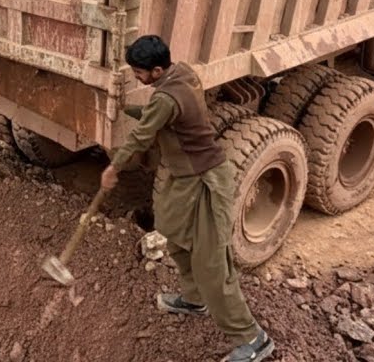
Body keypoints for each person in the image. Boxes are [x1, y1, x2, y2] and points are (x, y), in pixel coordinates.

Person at [100, 35, 273, 362]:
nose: (136, 77)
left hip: (207, 180)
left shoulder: (166, 97)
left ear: (155, 70)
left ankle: (254, 339)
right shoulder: (182, 73)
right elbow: (157, 114)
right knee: (173, 230)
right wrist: (129, 108)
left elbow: (143, 134)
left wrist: (114, 167)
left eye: (139, 72)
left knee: (211, 263)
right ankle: (195, 299)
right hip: (184, 178)